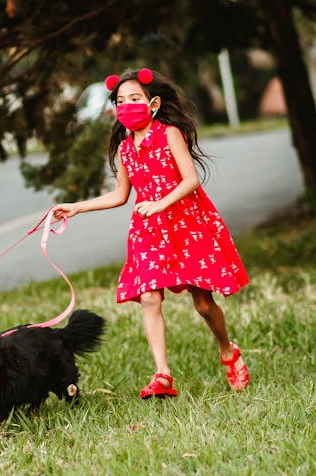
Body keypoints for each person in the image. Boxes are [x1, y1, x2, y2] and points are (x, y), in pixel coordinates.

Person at [52, 68, 250, 399]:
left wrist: (161, 203)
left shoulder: (169, 133)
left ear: (153, 103)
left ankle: (228, 351)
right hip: (149, 230)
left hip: (187, 222)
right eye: (120, 101)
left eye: (135, 99)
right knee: (148, 296)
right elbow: (120, 195)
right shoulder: (125, 149)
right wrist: (77, 207)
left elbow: (191, 180)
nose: (127, 105)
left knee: (203, 304)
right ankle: (162, 375)